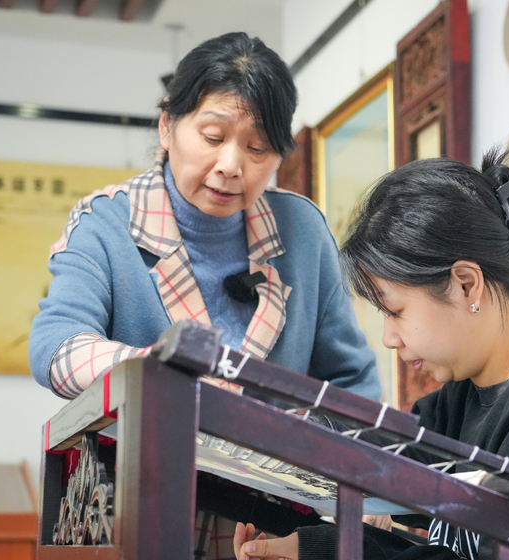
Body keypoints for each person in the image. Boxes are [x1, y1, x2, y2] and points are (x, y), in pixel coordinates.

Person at [232, 149, 509, 560]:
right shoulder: (468, 390)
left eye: (395, 311)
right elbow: (396, 461)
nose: (389, 338)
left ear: (467, 284)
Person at [29, 32, 382, 559]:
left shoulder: (302, 231)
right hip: (131, 508)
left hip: (268, 520)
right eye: (214, 136)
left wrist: (360, 474)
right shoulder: (106, 222)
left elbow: (351, 381)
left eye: (257, 147)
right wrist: (159, 372)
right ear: (168, 125)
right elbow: (55, 346)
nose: (231, 165)